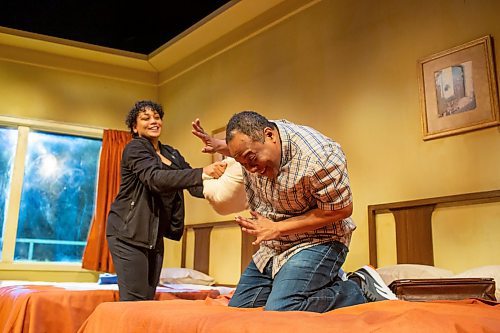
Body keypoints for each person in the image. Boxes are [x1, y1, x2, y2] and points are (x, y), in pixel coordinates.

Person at [191, 111, 396, 312]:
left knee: (282, 307)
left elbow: (341, 210)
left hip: (319, 240)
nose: (251, 169)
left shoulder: (320, 156)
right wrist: (221, 147)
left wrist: (278, 228)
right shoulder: (255, 141)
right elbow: (246, 148)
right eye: (243, 163)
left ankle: (357, 287)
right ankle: (322, 281)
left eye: (252, 159)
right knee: (240, 308)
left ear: (270, 135)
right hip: (275, 246)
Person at [106, 100, 226, 301]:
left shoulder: (171, 153)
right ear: (135, 127)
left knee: (147, 299)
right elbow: (155, 179)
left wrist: (227, 185)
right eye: (146, 118)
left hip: (153, 237)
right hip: (127, 234)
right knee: (135, 302)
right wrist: (202, 172)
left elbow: (194, 185)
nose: (153, 121)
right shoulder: (135, 149)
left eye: (157, 117)